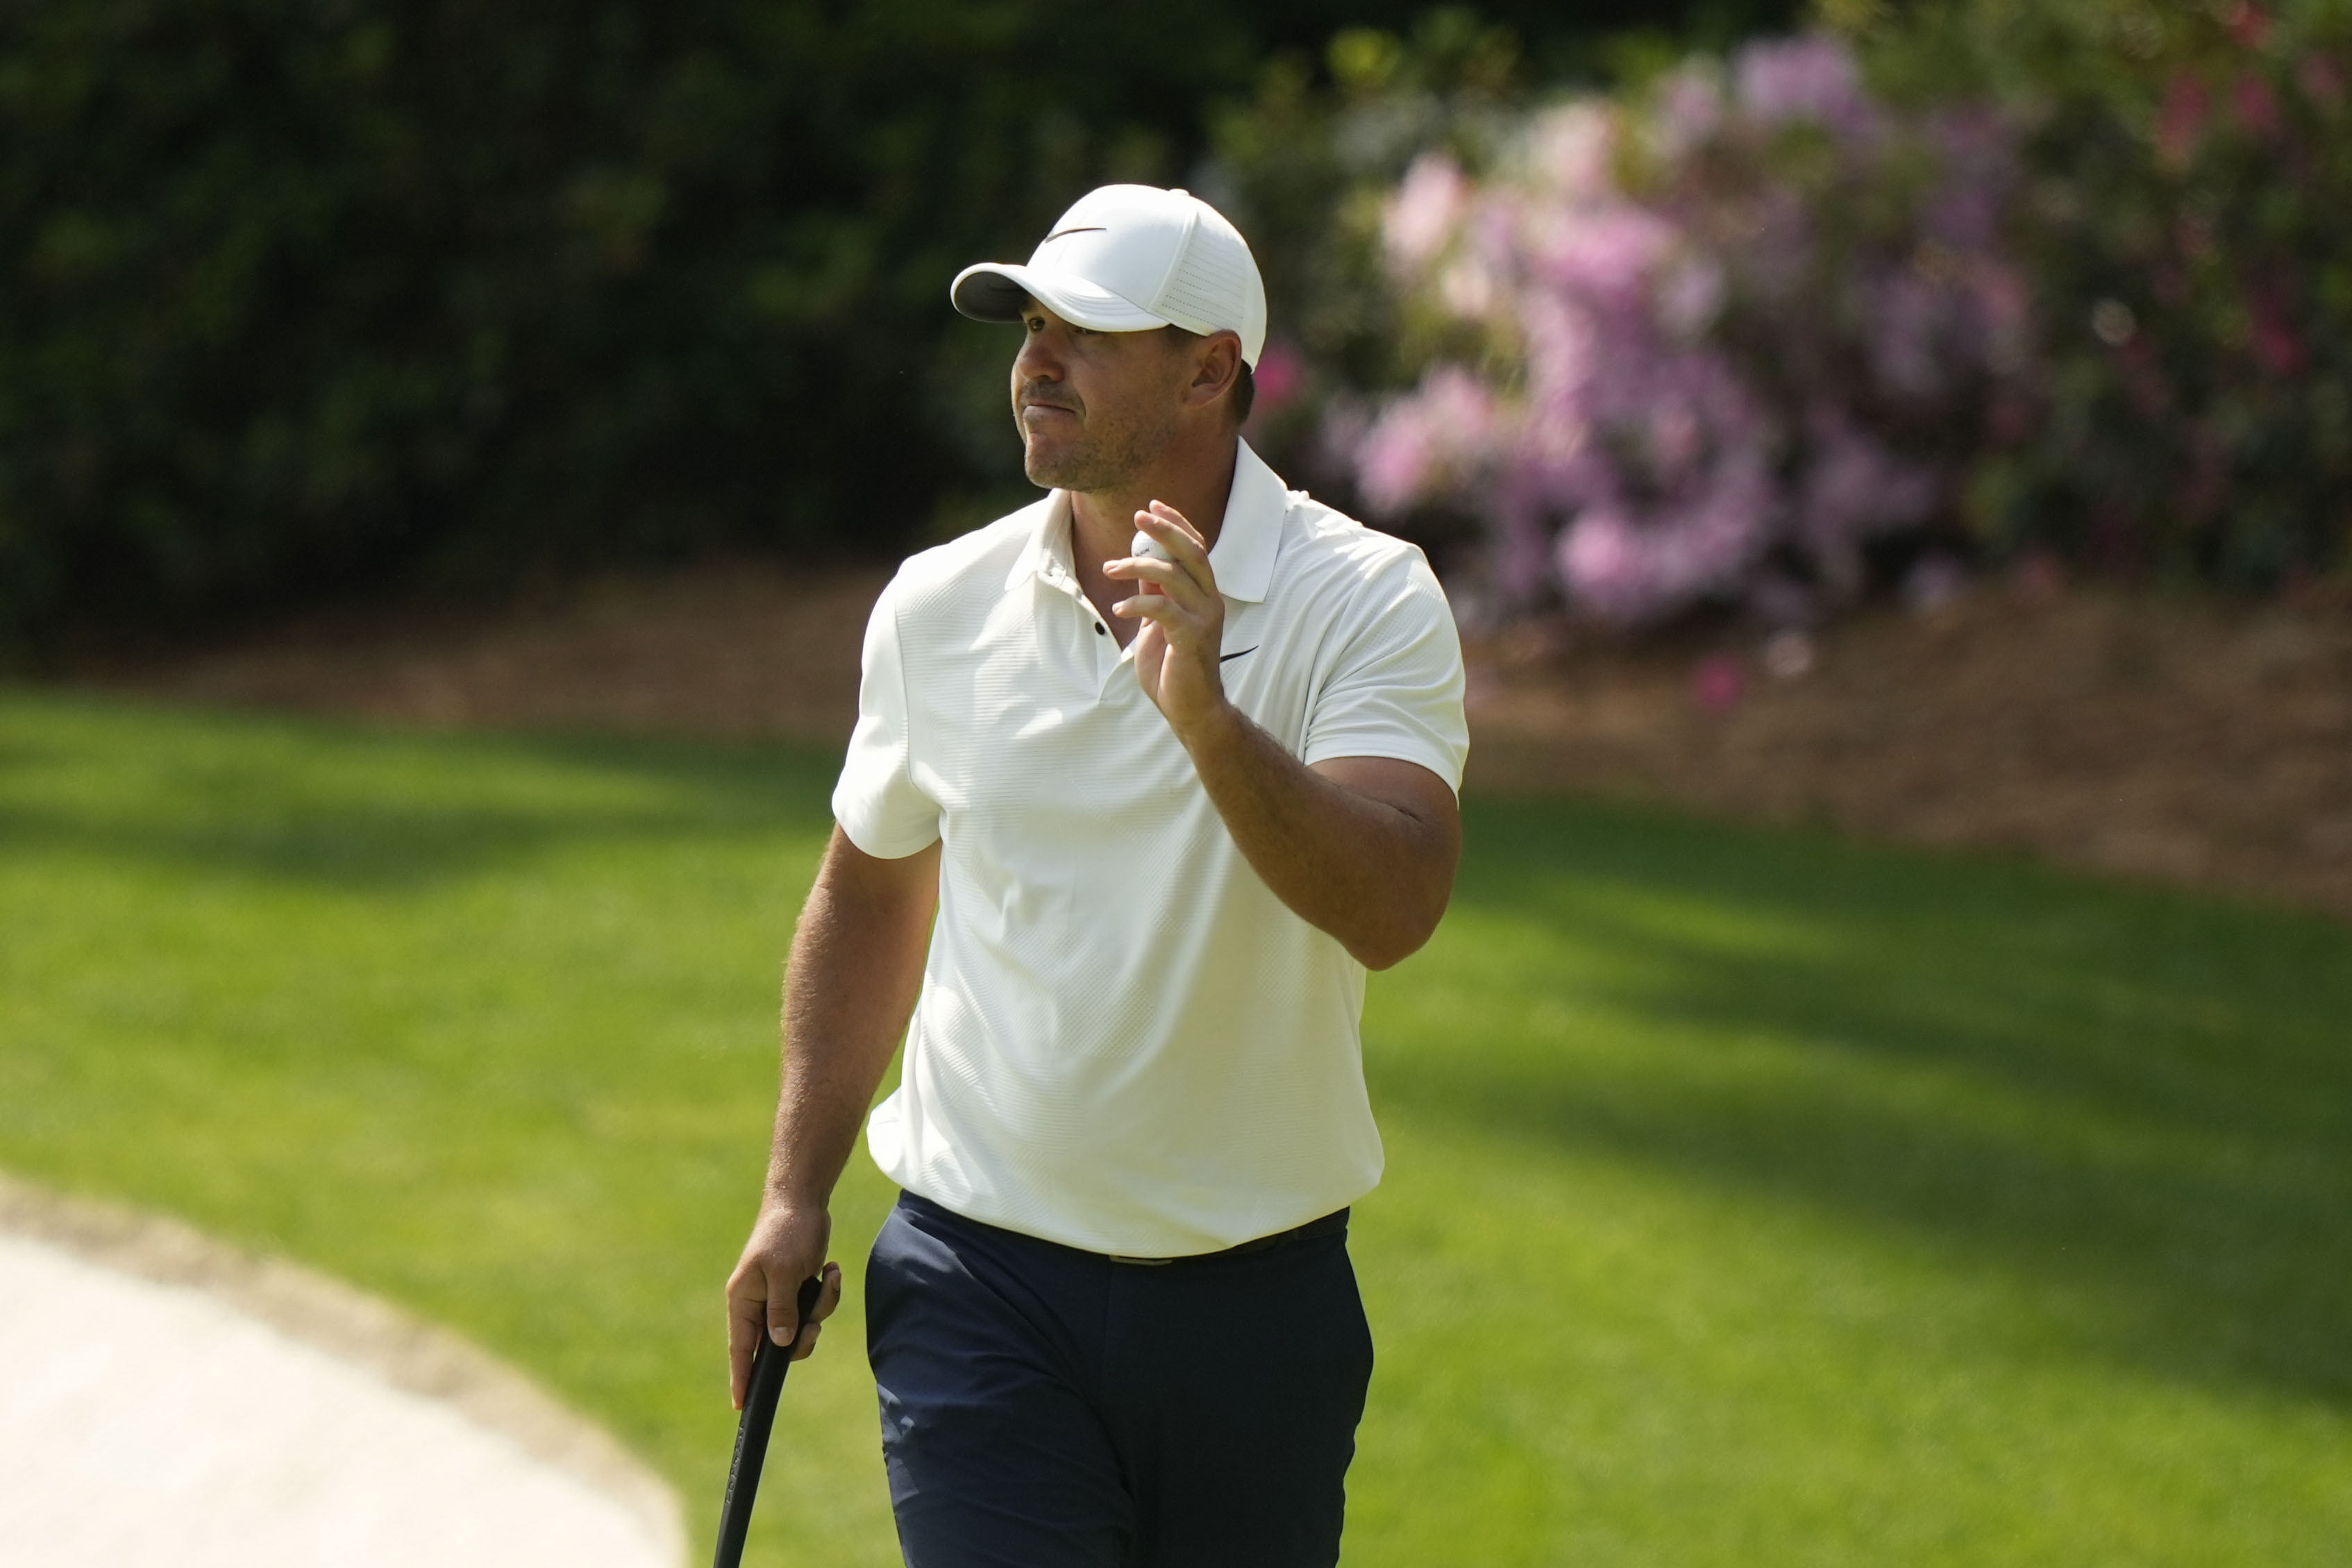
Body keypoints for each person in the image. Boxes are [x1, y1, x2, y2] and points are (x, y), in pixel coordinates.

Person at [725, 183, 1469, 1567]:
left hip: (1257, 1303)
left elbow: (1395, 904)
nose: (1034, 365)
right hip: (978, 1277)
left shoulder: (1362, 597)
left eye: (1087, 334)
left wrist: (1206, 717)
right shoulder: (937, 605)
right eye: (1028, 329)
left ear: (1207, 369)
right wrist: (793, 1183)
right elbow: (871, 888)